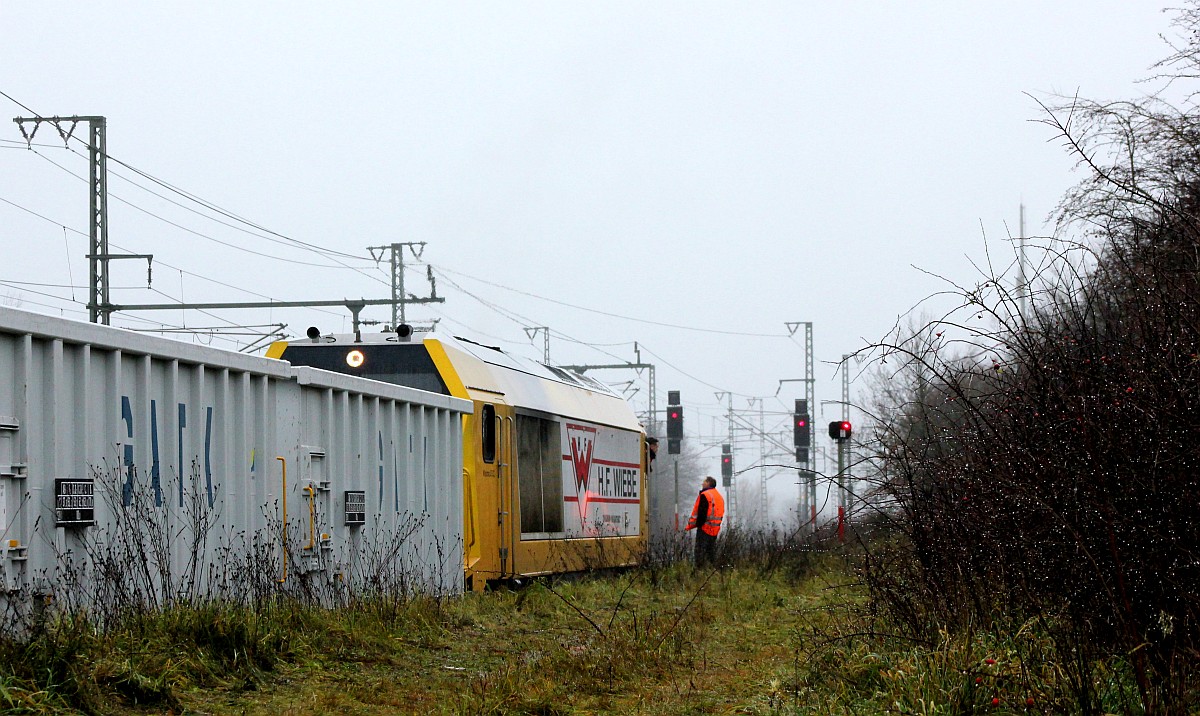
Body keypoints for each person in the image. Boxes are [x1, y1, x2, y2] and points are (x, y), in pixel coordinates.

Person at [685, 476, 724, 567]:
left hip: (705, 528)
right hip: (715, 529)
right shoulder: (719, 496)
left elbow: (702, 512)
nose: (702, 484)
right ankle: (712, 570)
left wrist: (698, 524)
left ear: (709, 483)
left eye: (704, 482)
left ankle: (699, 571)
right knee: (711, 551)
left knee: (700, 551)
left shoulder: (705, 495)